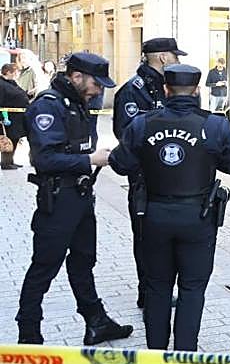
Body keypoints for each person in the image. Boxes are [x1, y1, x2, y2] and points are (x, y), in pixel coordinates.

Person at [109, 64, 230, 353]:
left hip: (154, 215)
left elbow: (119, 163)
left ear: (166, 90)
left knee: (157, 287)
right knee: (192, 288)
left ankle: (157, 354)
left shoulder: (143, 124)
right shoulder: (214, 125)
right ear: (196, 90)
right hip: (198, 217)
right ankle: (184, 354)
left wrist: (147, 158)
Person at [15, 52, 133, 346]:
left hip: (80, 196)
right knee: (45, 265)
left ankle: (96, 321)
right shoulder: (48, 105)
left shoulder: (78, 102)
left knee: (83, 261)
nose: (99, 90)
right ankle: (29, 333)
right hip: (58, 198)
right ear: (76, 77)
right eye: (96, 83)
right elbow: (45, 159)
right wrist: (90, 159)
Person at [113, 36, 185, 309]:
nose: (178, 61)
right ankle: (148, 291)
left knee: (171, 239)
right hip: (146, 179)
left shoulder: (170, 87)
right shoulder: (133, 90)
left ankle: (162, 289)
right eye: (175, 56)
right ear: (163, 57)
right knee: (145, 238)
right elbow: (127, 136)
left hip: (173, 177)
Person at [1, 62, 28, 169]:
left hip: (17, 117)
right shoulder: (1, 84)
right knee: (8, 140)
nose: (17, 74)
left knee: (15, 139)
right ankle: (6, 162)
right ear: (8, 72)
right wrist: (3, 117)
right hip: (8, 117)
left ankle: (11, 160)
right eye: (15, 72)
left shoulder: (12, 83)